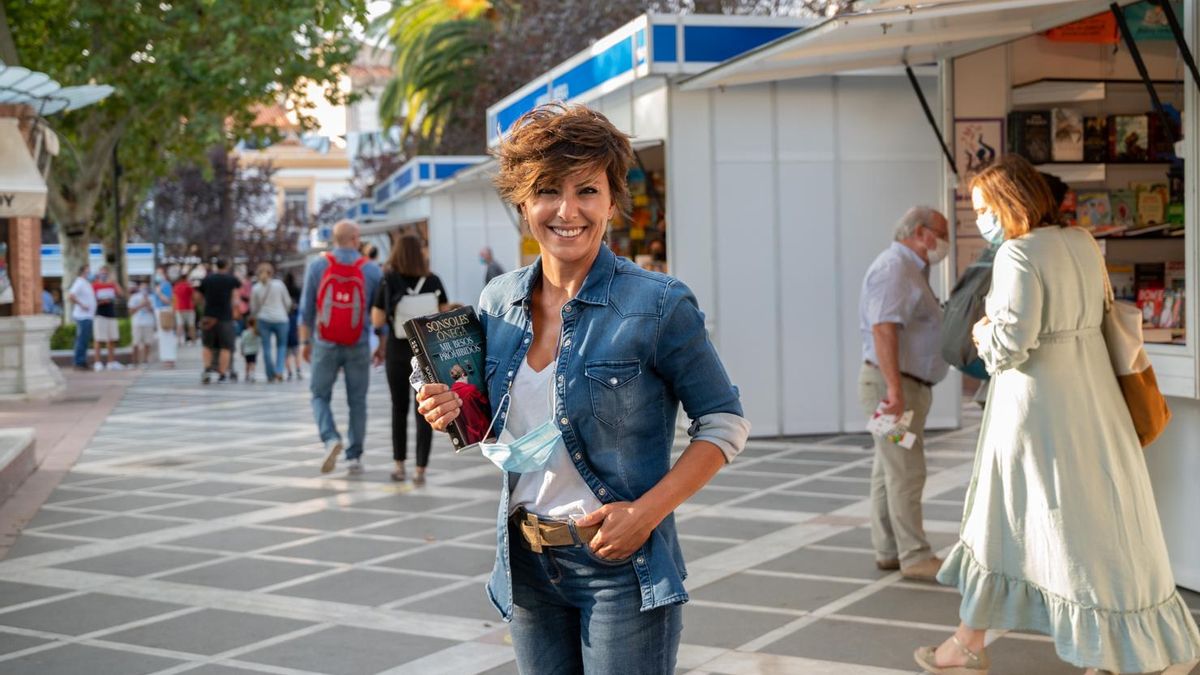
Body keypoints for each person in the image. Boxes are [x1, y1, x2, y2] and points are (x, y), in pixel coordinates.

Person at [417, 104, 749, 674]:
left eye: (587, 191)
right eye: (547, 190)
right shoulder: (499, 301)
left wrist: (645, 514)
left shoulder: (658, 303)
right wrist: (444, 407)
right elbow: (484, 415)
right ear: (523, 204)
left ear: (612, 202)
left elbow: (724, 423)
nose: (567, 211)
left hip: (621, 568)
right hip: (526, 563)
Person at [915, 156, 1200, 675]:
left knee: (1014, 524)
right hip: (1094, 401)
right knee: (1101, 521)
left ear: (1008, 202)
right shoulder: (1080, 242)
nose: (981, 220)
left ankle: (971, 646)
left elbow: (1009, 346)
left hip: (1035, 411)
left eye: (984, 208)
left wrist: (981, 332)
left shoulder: (1017, 255)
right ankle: (979, 643)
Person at [857, 205, 950, 581]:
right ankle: (915, 555)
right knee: (906, 470)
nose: (944, 241)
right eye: (941, 232)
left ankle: (889, 550)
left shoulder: (911, 269)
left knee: (889, 469)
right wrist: (894, 391)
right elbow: (883, 329)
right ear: (921, 232)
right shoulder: (895, 268)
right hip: (892, 389)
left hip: (897, 386)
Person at [299, 220, 382, 475]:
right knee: (357, 400)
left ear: (334, 239)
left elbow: (306, 310)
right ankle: (354, 455)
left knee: (318, 395)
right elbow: (379, 313)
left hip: (325, 342)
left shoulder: (318, 266)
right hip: (357, 343)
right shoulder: (371, 270)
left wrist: (305, 342)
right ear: (356, 238)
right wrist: (381, 344)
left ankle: (330, 438)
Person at [370, 235, 448, 484]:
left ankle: (399, 465)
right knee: (424, 409)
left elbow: (377, 321)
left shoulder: (388, 280)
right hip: (424, 351)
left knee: (398, 407)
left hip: (397, 349)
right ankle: (420, 469)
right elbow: (443, 314)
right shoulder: (433, 280)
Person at [198, 259, 241, 384]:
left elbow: (198, 296)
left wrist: (203, 307)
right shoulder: (231, 280)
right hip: (225, 317)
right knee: (225, 347)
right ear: (226, 266)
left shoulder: (207, 279)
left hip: (208, 316)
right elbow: (236, 296)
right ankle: (222, 374)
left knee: (207, 345)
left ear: (216, 266)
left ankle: (207, 369)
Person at [251, 262, 292, 383]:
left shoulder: (256, 288)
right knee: (281, 346)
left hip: (264, 319)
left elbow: (254, 308)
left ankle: (270, 374)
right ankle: (279, 370)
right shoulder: (279, 285)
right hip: (281, 319)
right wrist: (285, 311)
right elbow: (288, 302)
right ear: (271, 272)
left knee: (266, 348)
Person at [92, 265, 124, 371]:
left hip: (111, 314)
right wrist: (101, 302)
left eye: (106, 273)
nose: (104, 275)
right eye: (102, 273)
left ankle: (111, 362)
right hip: (100, 314)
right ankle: (98, 363)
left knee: (111, 339)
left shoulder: (111, 285)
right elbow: (91, 300)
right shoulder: (95, 285)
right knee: (98, 339)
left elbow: (121, 294)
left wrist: (114, 283)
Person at [67, 264, 96, 372]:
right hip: (82, 316)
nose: (90, 273)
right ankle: (79, 362)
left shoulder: (86, 283)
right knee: (81, 340)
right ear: (83, 271)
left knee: (85, 341)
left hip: (88, 316)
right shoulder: (79, 282)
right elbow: (71, 295)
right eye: (88, 271)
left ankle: (82, 361)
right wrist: (82, 305)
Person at [129, 280, 157, 368]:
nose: (144, 289)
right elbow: (131, 311)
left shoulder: (152, 297)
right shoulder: (134, 297)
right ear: (139, 288)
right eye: (142, 287)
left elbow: (154, 311)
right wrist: (141, 305)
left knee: (147, 342)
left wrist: (148, 304)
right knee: (135, 343)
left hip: (148, 323)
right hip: (137, 322)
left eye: (146, 287)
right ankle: (135, 362)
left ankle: (145, 361)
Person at [152, 267, 176, 368]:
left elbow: (168, 300)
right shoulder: (158, 285)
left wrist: (159, 293)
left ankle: (169, 358)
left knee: (167, 336)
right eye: (157, 273)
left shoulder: (166, 285)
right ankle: (165, 358)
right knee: (162, 336)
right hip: (159, 311)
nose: (158, 275)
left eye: (160, 273)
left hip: (165, 311)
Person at [284, 271, 303, 381]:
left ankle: (289, 371)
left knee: (286, 350)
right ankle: (298, 369)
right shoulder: (297, 290)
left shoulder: (284, 289)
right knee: (296, 350)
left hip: (284, 318)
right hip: (294, 319)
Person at [173, 272, 196, 345]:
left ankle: (178, 341)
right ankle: (193, 341)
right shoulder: (189, 286)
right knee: (191, 325)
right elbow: (193, 296)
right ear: (186, 278)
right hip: (189, 308)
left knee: (179, 325)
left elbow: (174, 297)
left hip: (179, 308)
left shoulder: (176, 286)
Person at [241, 316, 261, 383]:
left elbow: (242, 342)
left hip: (247, 351)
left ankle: (246, 375)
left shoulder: (245, 332)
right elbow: (258, 342)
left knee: (247, 363)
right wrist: (258, 349)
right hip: (254, 351)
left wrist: (242, 350)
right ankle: (252, 374)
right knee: (253, 363)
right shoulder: (256, 333)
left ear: (248, 323)